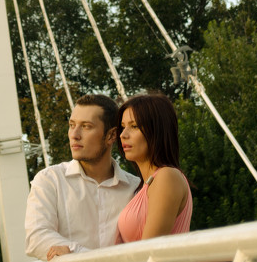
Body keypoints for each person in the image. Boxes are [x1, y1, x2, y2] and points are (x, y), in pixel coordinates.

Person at [25, 93, 140, 260]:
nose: (74, 135)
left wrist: (74, 254)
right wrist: (87, 256)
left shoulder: (135, 188)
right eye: (72, 125)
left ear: (111, 135)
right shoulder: (50, 180)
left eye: (86, 126)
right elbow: (36, 238)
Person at [116, 92, 192, 243]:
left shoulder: (167, 177)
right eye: (123, 127)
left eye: (134, 126)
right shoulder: (147, 185)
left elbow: (149, 251)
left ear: (157, 130)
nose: (123, 135)